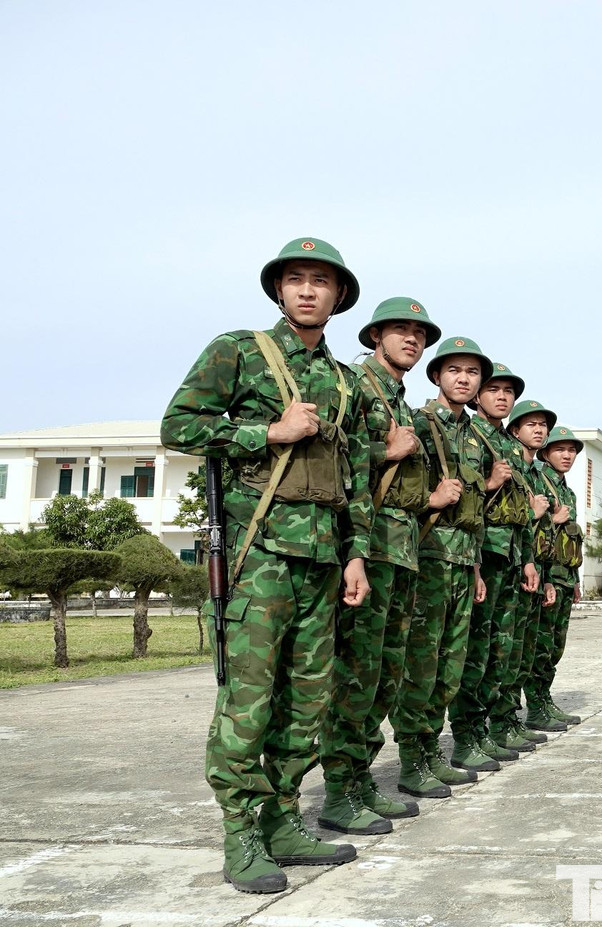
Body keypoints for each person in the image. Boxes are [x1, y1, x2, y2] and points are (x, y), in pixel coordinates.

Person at [161, 237, 372, 893]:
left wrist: (357, 551)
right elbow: (179, 425)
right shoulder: (240, 349)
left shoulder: (344, 381)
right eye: (296, 279)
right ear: (279, 290)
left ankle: (283, 818)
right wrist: (265, 433)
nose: (308, 290)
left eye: (321, 281)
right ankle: (242, 831)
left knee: (307, 703)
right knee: (247, 704)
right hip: (259, 557)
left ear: (338, 297)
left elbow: (355, 470)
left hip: (321, 562)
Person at [319, 298, 439, 831]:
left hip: (404, 549)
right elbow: (333, 460)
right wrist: (385, 456)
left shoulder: (401, 402)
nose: (411, 340)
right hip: (371, 544)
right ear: (374, 337)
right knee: (357, 674)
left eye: (419, 333)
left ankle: (362, 779)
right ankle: (339, 792)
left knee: (385, 675)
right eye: (400, 331)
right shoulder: (356, 387)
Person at [392, 336, 493, 784]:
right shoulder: (417, 423)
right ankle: (412, 758)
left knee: (451, 664)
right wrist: (429, 501)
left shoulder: (474, 437)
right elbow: (391, 490)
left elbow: (477, 513)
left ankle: (432, 750)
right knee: (421, 662)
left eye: (472, 373)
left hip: (462, 561)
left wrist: (475, 569)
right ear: (436, 376)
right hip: (428, 558)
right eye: (454, 370)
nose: (464, 379)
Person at [448, 363, 541, 762]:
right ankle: (467, 734)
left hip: (508, 556)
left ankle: (491, 725)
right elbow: (462, 503)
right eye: (494, 390)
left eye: (509, 392)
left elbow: (517, 513)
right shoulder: (467, 435)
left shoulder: (505, 445)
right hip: (479, 555)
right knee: (473, 651)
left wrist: (528, 560)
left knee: (498, 651)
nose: (502, 397)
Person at [506, 400, 566, 735]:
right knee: (505, 651)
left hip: (538, 571)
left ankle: (527, 711)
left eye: (542, 424)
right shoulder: (517, 471)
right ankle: (502, 722)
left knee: (530, 650)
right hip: (508, 568)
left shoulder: (537, 478)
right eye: (531, 424)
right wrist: (540, 515)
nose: (539, 429)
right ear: (515, 431)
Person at [527, 425, 587, 727]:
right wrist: (552, 518)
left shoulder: (568, 492)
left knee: (555, 646)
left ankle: (544, 699)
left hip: (565, 577)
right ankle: (536, 707)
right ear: (546, 452)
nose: (567, 455)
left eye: (572, 450)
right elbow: (534, 531)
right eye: (560, 449)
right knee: (540, 645)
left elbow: (569, 541)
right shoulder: (538, 483)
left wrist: (575, 579)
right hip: (546, 576)